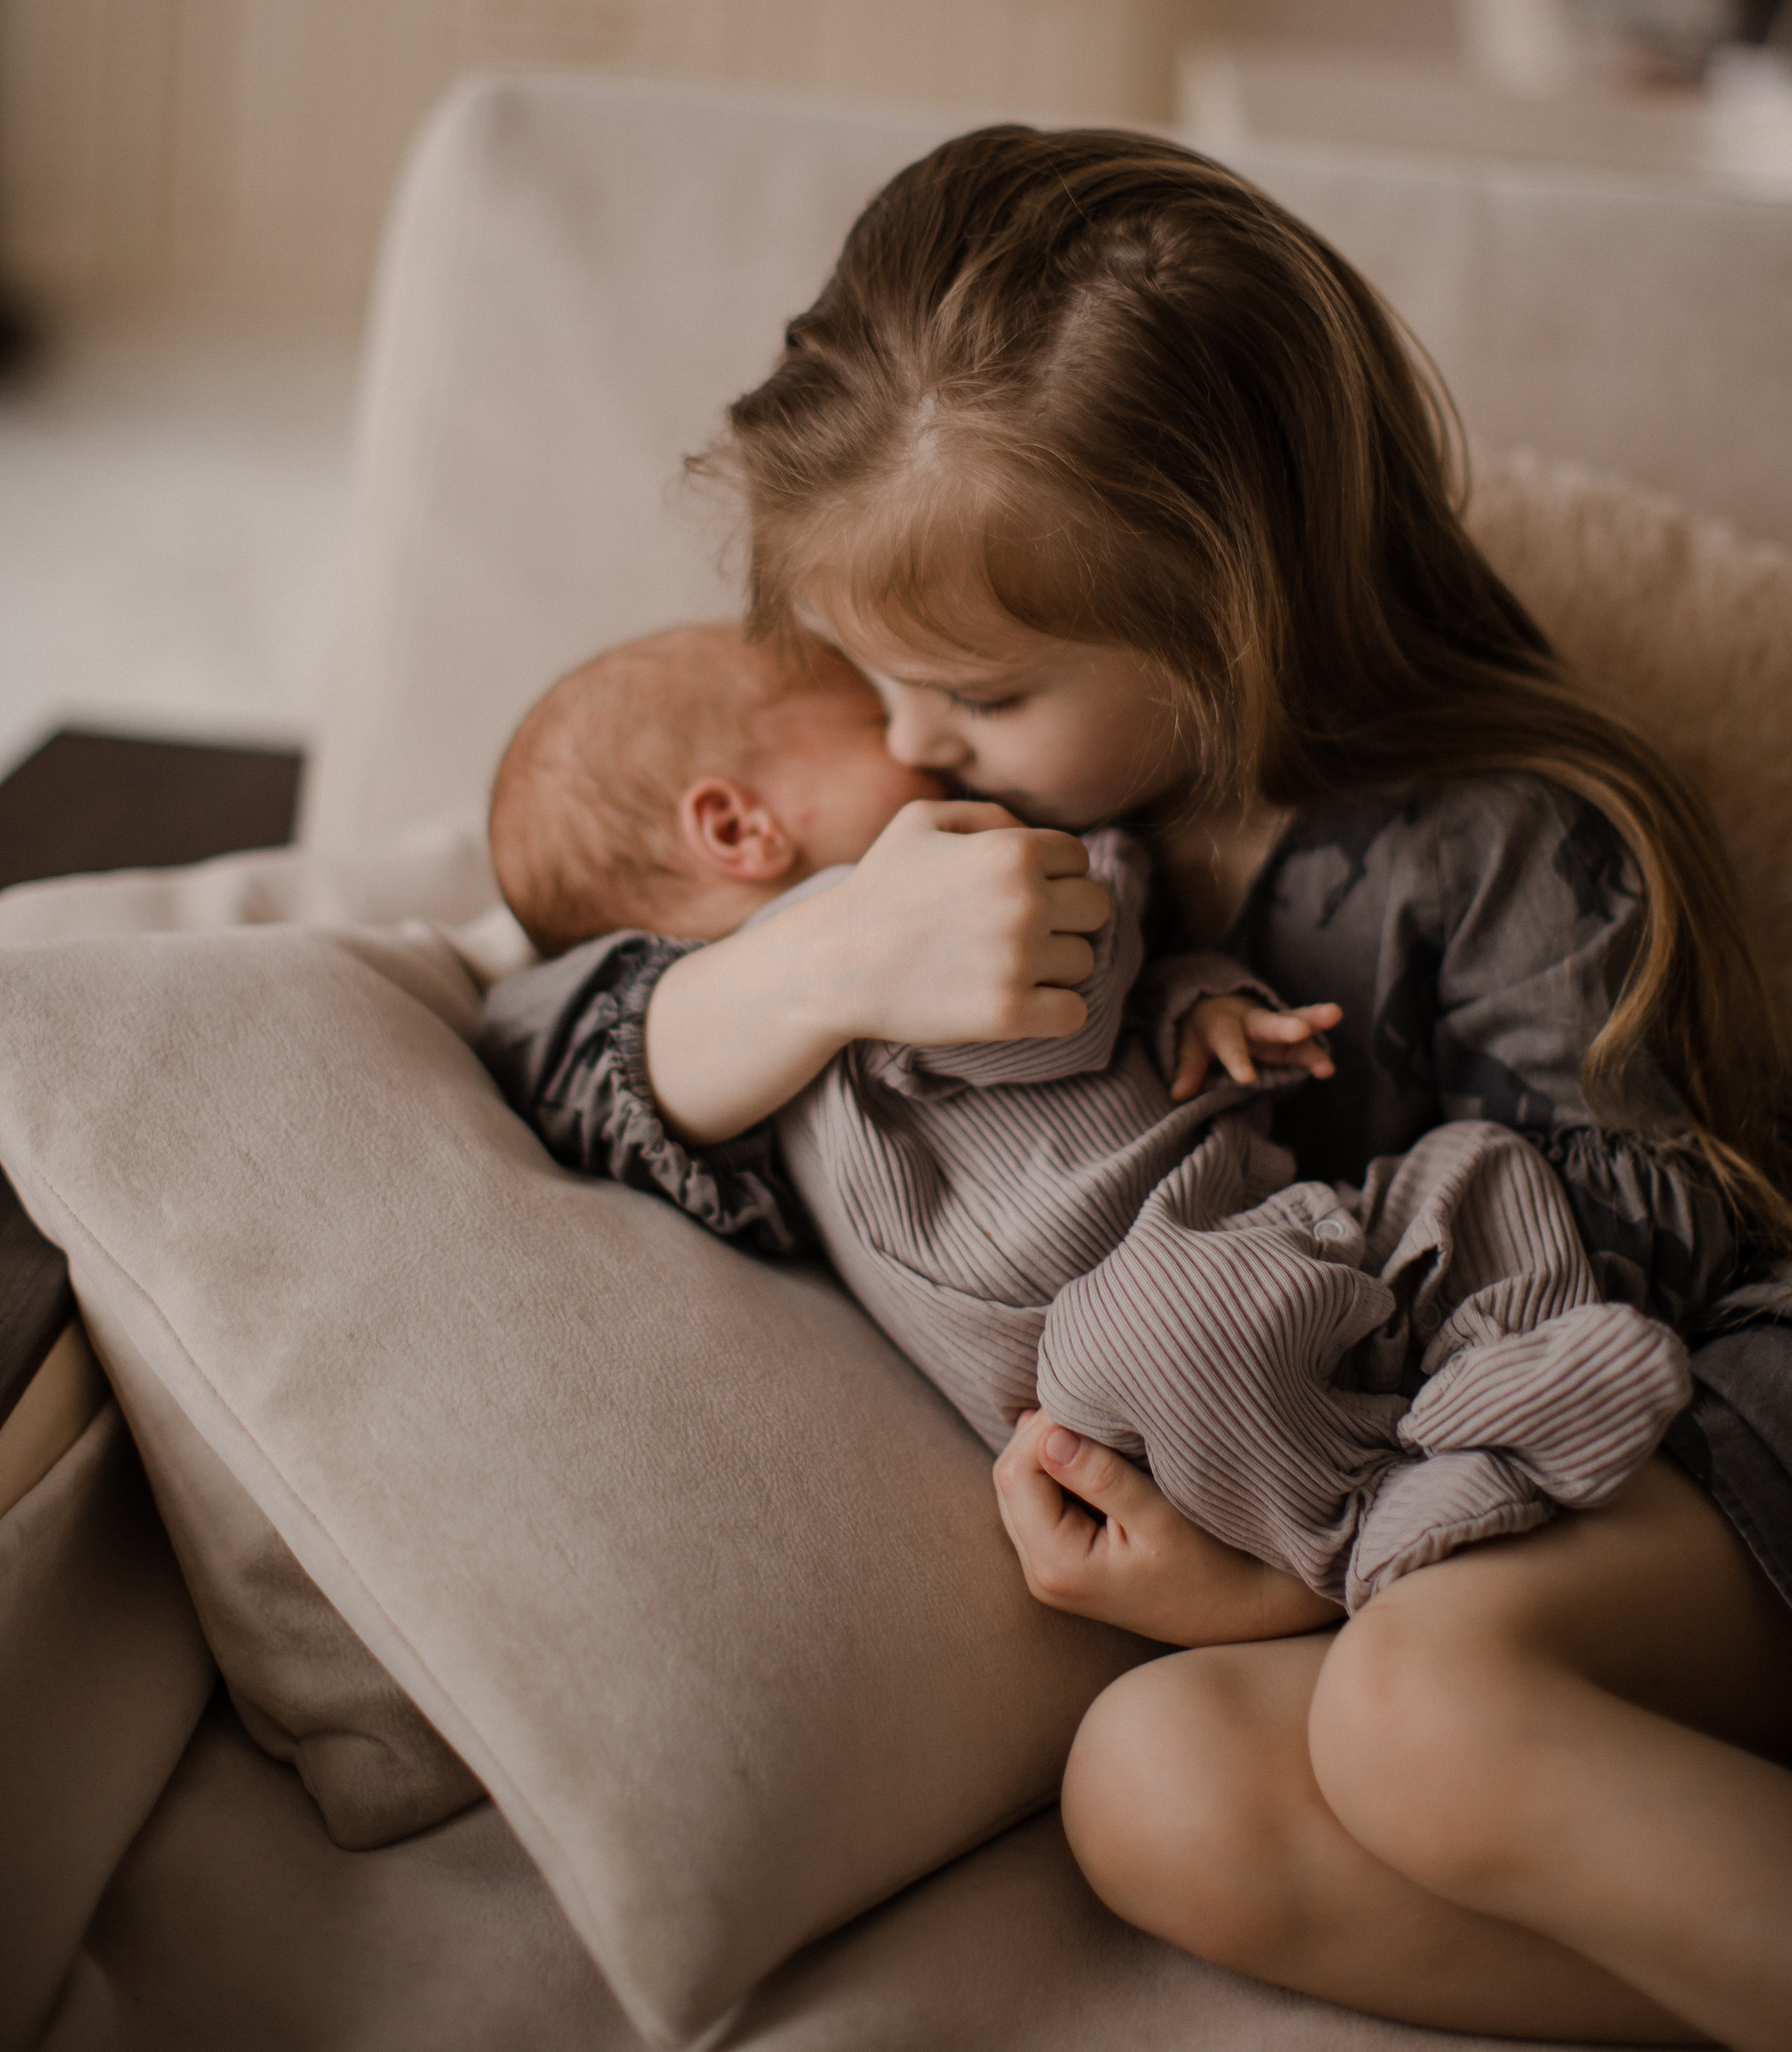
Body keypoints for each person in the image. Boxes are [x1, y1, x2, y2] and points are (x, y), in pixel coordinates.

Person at [538, 127, 1792, 2045]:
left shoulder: (1510, 845)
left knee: (1419, 1709)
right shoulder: (947, 836)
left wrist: (1288, 1450)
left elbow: (1619, 1280)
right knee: (1153, 1789)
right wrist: (818, 962)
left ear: (1228, 623)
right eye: (869, 678)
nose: (900, 741)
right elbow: (552, 1030)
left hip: (1696, 1437)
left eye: (978, 693)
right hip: (1409, 1550)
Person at [482, 627, 1688, 1611]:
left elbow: (1078, 1033)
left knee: (1474, 1168)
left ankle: (1506, 1359)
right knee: (1173, 1321)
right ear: (739, 828)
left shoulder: (859, 980)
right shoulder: (872, 931)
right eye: (874, 719)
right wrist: (1101, 867)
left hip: (1263, 1244)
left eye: (957, 696)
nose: (920, 743)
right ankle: (1390, 1506)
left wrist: (1195, 997)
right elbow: (1040, 1020)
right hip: (1140, 1337)